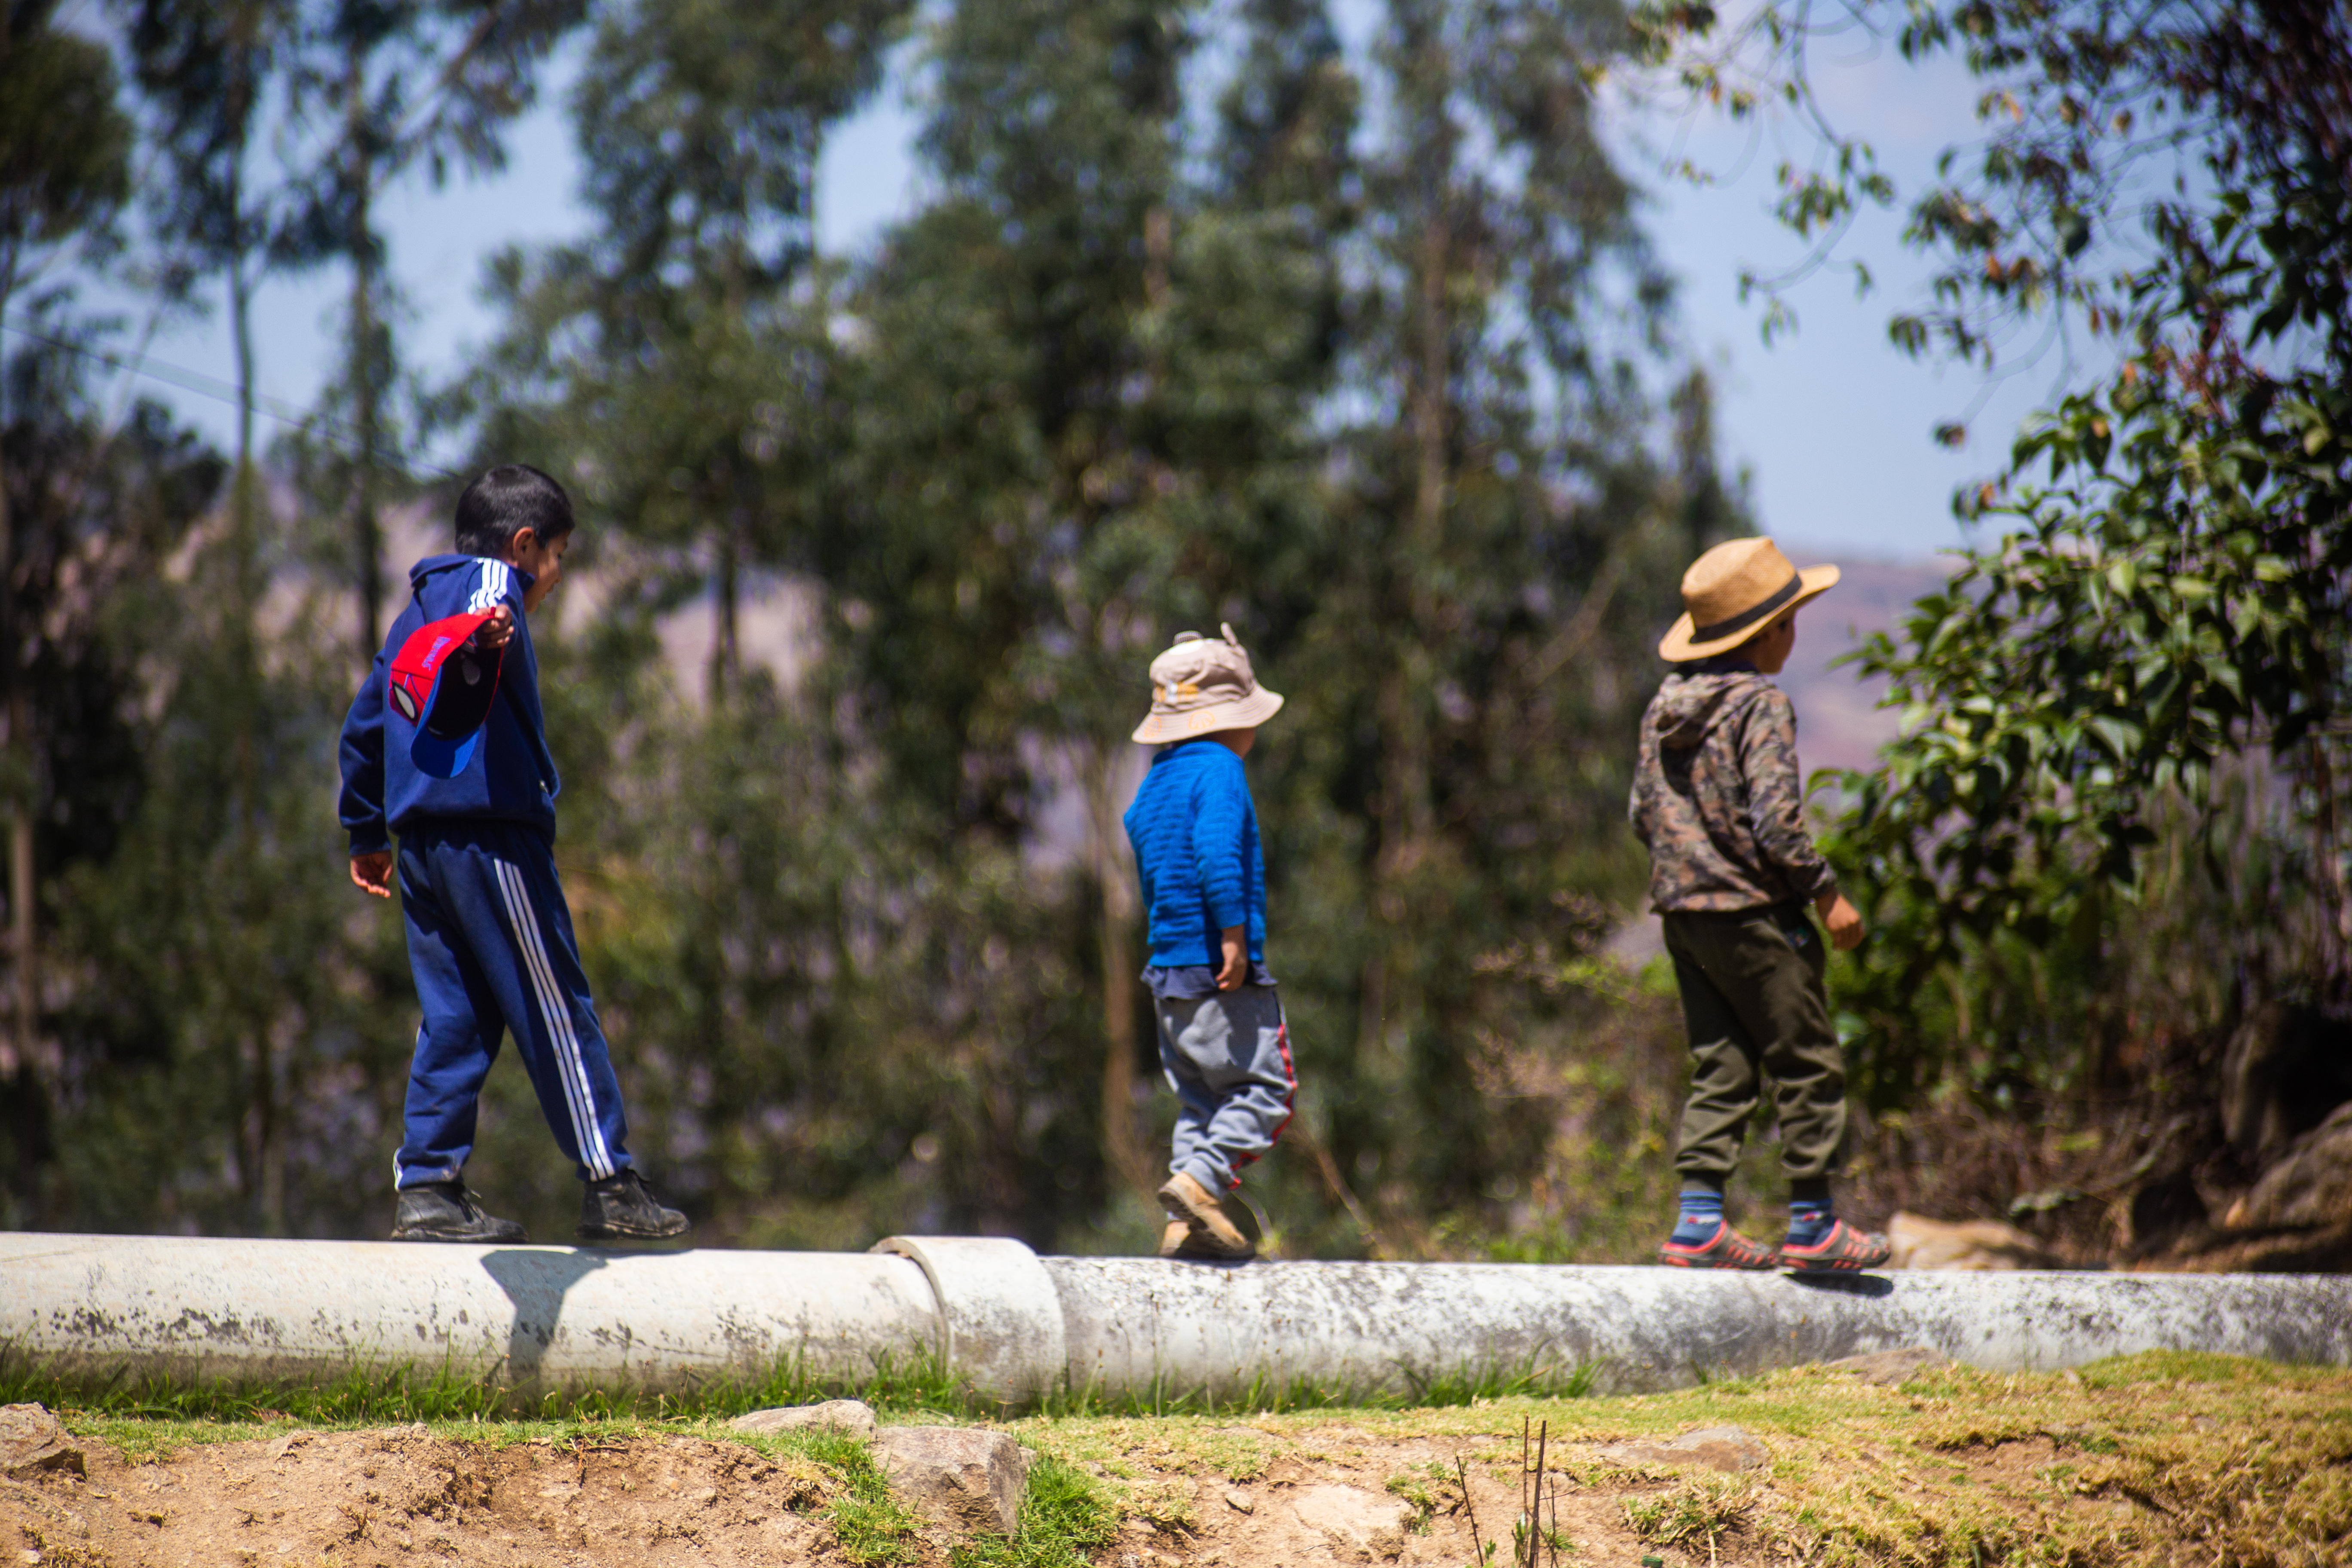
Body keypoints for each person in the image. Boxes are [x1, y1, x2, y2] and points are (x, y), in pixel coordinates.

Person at [339, 464, 689, 1245]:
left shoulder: (408, 620)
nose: (557, 578)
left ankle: (428, 1185)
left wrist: (366, 831)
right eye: (559, 556)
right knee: (554, 1003)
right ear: (526, 544)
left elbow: (364, 727)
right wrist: (478, 641)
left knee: (456, 1019)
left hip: (423, 848)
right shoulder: (488, 586)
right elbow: (479, 621)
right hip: (489, 838)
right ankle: (610, 1181)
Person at [1629, 537, 1892, 1273]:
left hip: (1683, 917)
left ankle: (1700, 1222)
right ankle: (1813, 1224)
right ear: (1767, 633)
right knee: (1806, 1059)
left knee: (1723, 1062)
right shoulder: (1762, 707)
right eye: (1790, 622)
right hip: (1753, 914)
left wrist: (1691, 872)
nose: (1794, 634)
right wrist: (1828, 896)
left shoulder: (1662, 709)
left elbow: (1640, 815)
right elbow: (1778, 825)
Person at [1123, 625, 1295, 1262]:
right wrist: (1231, 933)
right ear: (1226, 721)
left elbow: (1141, 837)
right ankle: (1200, 1183)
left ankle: (1183, 1225)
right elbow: (1218, 852)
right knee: (1266, 1090)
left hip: (1167, 969)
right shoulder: (1220, 770)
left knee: (1200, 1099)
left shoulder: (1157, 779)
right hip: (1218, 966)